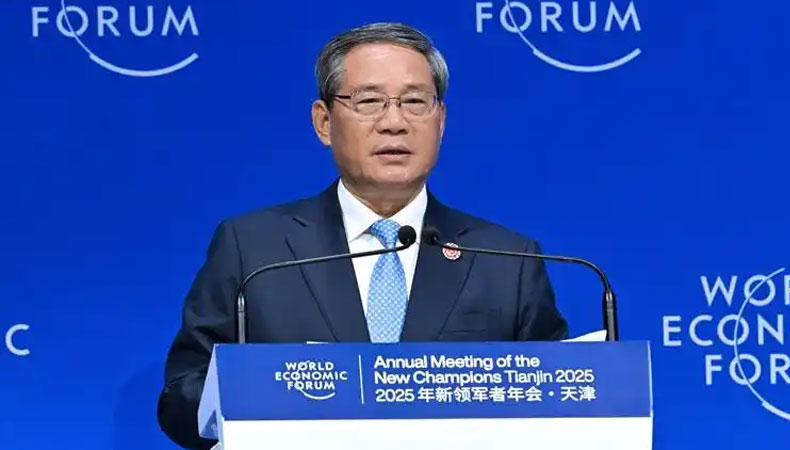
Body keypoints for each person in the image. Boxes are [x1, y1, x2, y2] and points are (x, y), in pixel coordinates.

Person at [157, 22, 568, 450]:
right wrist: (263, 397)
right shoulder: (254, 250)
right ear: (323, 122)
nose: (394, 122)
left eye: (415, 102)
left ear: (441, 120)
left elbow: (560, 405)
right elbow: (182, 394)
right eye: (369, 101)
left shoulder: (507, 260)